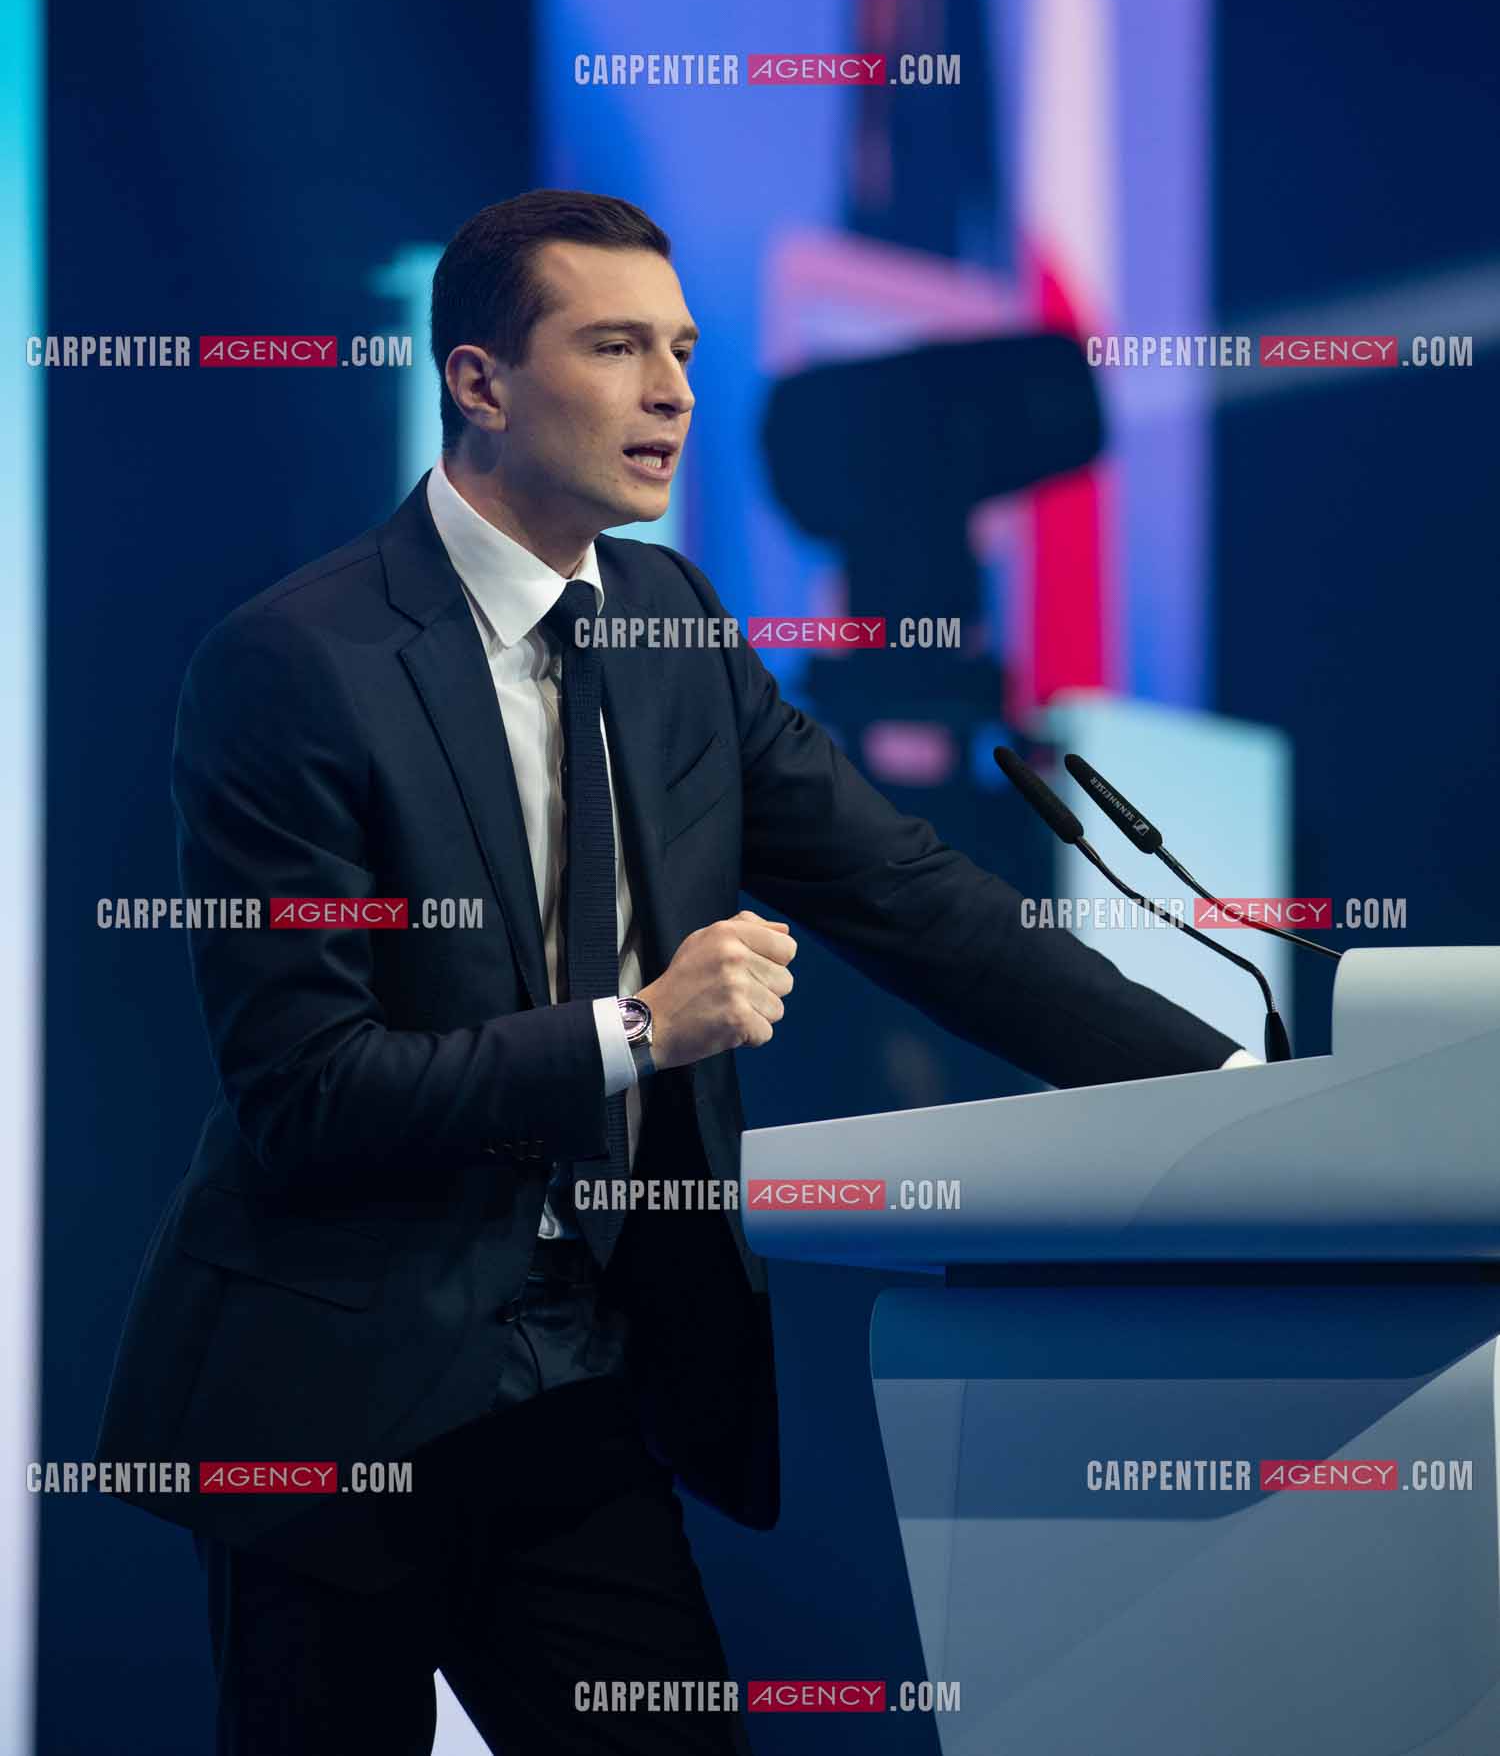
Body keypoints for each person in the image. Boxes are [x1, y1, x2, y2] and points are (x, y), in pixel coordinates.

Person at [96, 188, 1255, 1754]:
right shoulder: (296, 666)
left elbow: (909, 897)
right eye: (617, 345)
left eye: (687, 350)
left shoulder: (678, 629)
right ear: (479, 381)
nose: (673, 392)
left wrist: (1235, 1098)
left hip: (576, 1390)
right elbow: (309, 1094)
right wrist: (639, 1030)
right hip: (330, 1408)